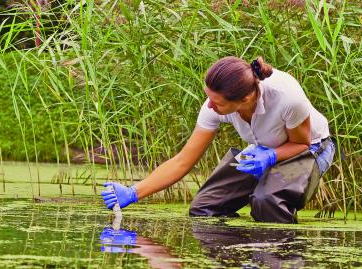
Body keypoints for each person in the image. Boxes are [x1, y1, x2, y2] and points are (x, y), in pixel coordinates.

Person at [101, 56, 335, 224]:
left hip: (311, 148)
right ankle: (240, 255)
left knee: (267, 202)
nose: (210, 106)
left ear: (244, 99)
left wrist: (271, 156)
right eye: (208, 98)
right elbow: (183, 161)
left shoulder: (287, 98)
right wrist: (134, 192)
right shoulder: (215, 104)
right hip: (263, 149)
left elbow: (301, 144)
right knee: (205, 208)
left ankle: (276, 258)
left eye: (218, 103)